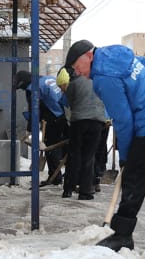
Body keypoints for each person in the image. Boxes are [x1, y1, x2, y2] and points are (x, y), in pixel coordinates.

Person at [65, 40, 145, 252]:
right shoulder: (117, 53)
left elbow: (123, 120)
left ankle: (122, 234)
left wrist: (125, 157)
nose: (76, 72)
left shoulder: (103, 78)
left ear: (89, 56)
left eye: (76, 66)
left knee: (134, 179)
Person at [56, 67, 105, 200]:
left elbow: (69, 103)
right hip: (97, 123)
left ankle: (68, 189)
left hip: (79, 122)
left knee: (74, 155)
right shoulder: (98, 81)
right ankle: (85, 192)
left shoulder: (74, 83)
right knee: (89, 156)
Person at [15, 70, 67, 185]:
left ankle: (55, 178)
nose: (23, 90)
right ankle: (67, 176)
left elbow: (34, 110)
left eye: (22, 88)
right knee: (65, 147)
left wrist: (30, 129)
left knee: (50, 147)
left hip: (54, 117)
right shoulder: (48, 79)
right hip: (66, 114)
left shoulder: (32, 88)